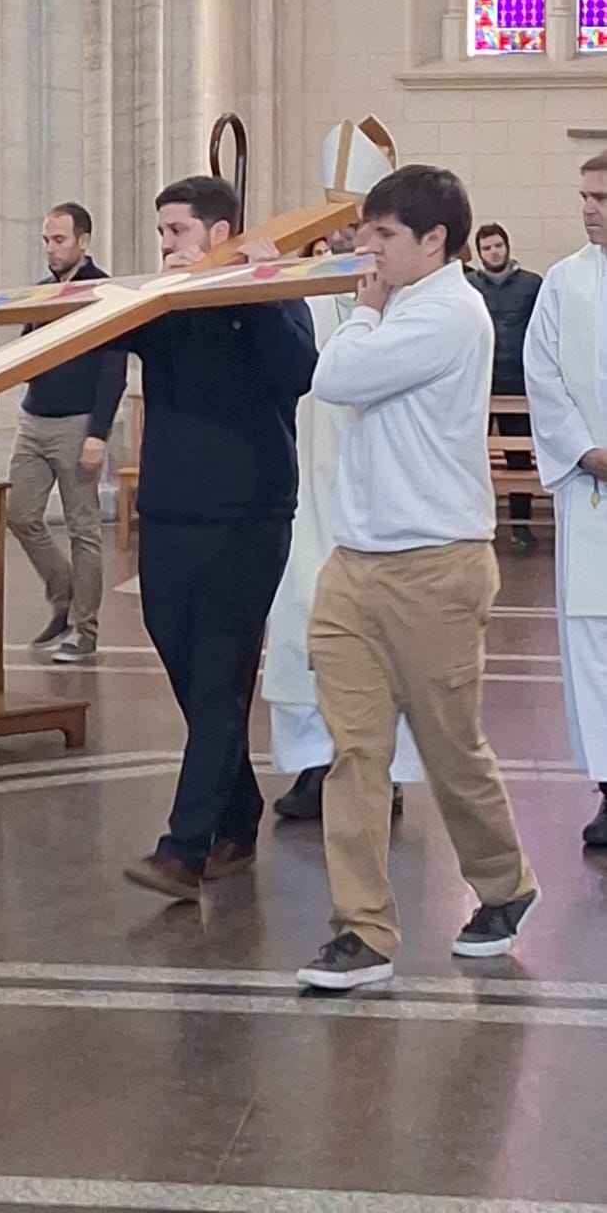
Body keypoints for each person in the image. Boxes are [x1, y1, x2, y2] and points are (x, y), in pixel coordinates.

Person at [297, 166, 538, 992]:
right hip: (357, 564)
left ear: (435, 240)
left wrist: (360, 307)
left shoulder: (450, 312)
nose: (367, 249)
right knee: (354, 751)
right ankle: (362, 930)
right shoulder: (395, 304)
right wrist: (360, 299)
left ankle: (505, 885)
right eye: (364, 232)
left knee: (447, 745)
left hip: (436, 564)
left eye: (385, 236)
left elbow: (335, 378)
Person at [120, 176, 318, 902]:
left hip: (249, 512)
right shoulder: (164, 301)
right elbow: (95, 337)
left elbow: (300, 373)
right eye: (163, 231)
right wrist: (151, 291)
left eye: (178, 231)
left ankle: (185, 849)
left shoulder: (273, 293)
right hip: (172, 509)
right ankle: (237, 812)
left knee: (217, 674)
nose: (167, 243)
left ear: (218, 229)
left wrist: (257, 289)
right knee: (182, 661)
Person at [263, 118, 423, 823]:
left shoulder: (410, 298)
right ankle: (312, 763)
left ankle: (378, 768)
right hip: (304, 489)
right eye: (333, 224)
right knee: (299, 621)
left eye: (354, 224)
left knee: (374, 636)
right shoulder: (303, 288)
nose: (340, 239)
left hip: (372, 490)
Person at [524, 150, 607, 849]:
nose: (590, 209)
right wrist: (585, 449)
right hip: (593, 491)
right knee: (594, 645)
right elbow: (541, 373)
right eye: (585, 196)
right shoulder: (564, 282)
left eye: (602, 197)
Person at [7, 202, 126, 663]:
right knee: (20, 513)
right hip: (35, 418)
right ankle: (63, 592)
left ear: (83, 241)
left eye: (59, 240)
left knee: (83, 527)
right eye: (46, 240)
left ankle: (85, 629)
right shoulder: (42, 293)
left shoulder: (104, 290)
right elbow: (25, 353)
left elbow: (113, 368)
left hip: (79, 423)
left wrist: (98, 433)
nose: (51, 249)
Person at [469, 222, 542, 552]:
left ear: (507, 246)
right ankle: (471, 525)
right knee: (469, 456)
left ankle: (521, 527)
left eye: (498, 245)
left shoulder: (531, 285)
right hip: (477, 384)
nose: (493, 252)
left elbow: (542, 332)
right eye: (486, 248)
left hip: (518, 384)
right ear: (480, 252)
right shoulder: (468, 286)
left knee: (519, 459)